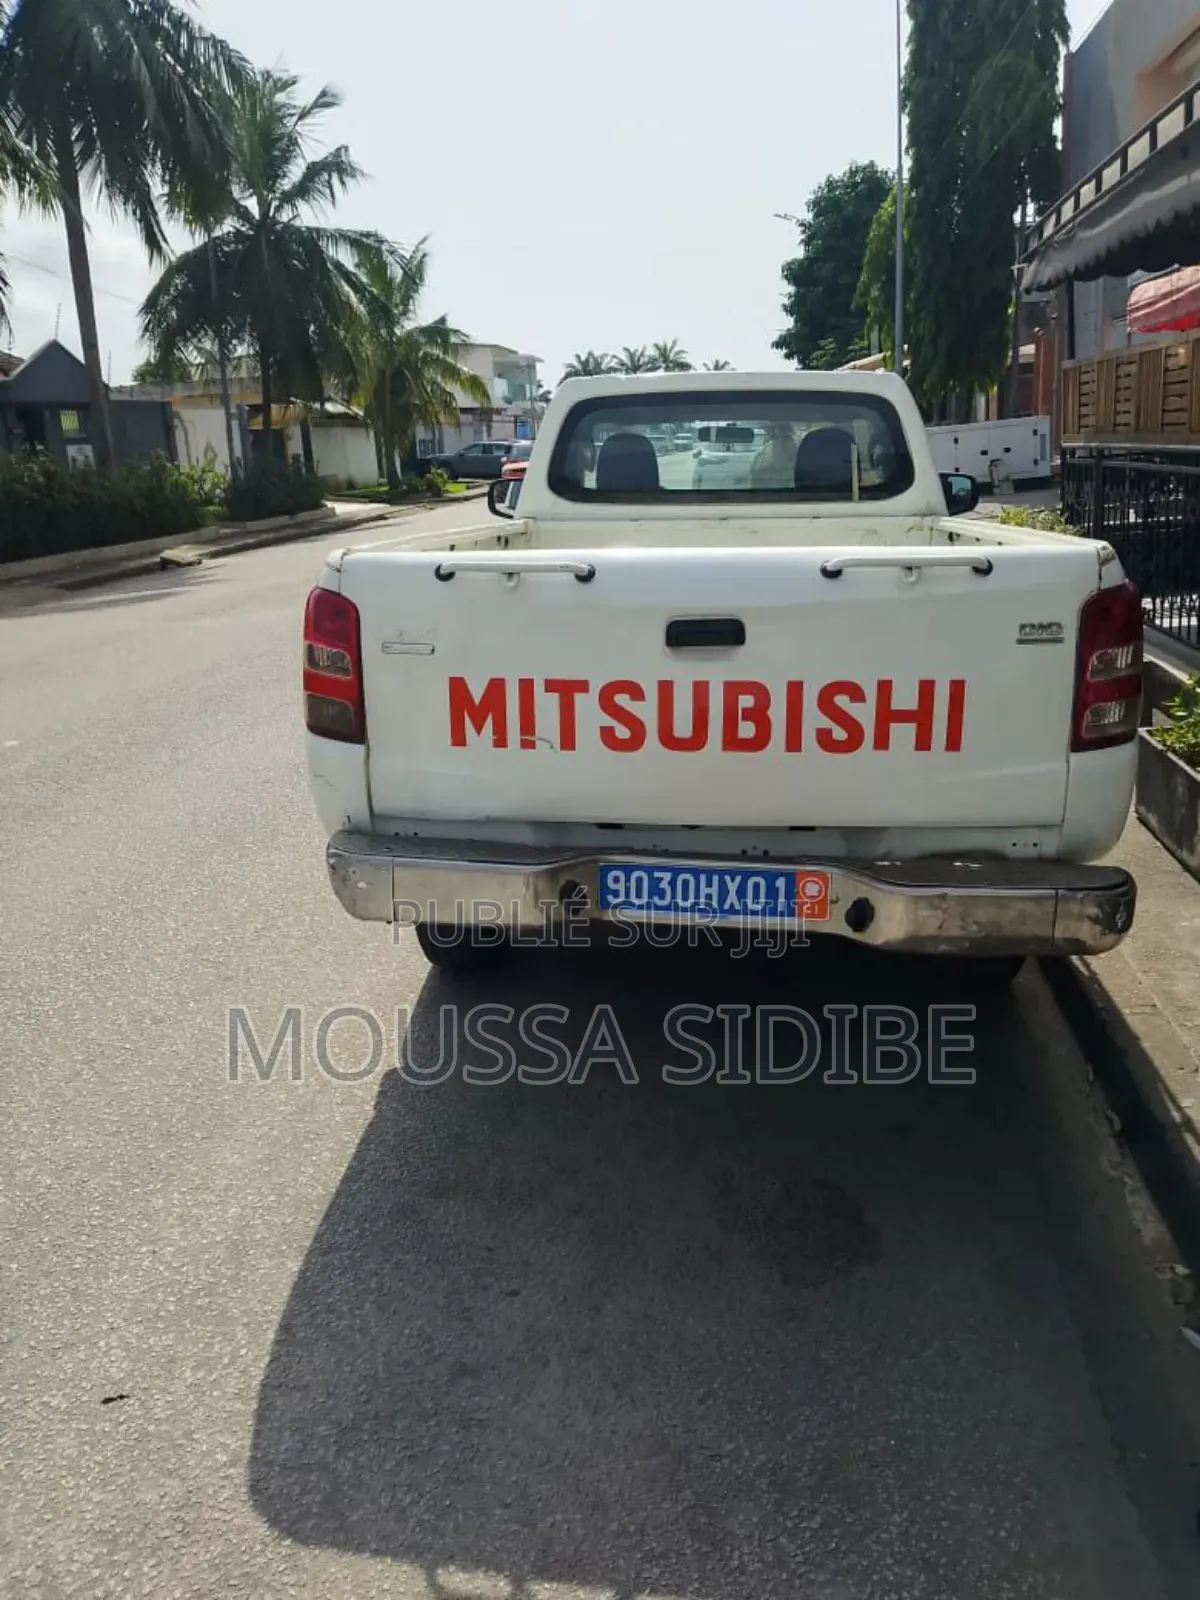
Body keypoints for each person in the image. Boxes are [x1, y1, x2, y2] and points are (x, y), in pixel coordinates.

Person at [750, 421, 798, 490]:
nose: (778, 432)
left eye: (782, 428)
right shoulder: (761, 454)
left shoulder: (795, 449)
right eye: (773, 429)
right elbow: (753, 483)